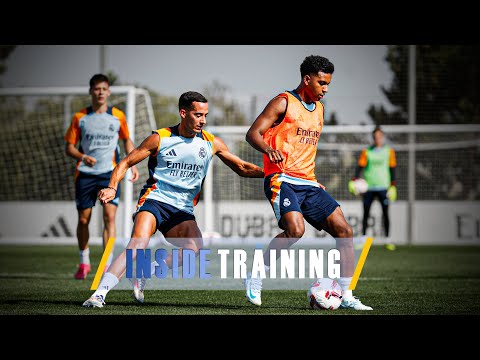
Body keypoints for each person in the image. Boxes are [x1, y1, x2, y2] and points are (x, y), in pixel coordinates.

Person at [82, 91, 264, 308]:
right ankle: (99, 295)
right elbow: (124, 163)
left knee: (194, 249)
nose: (203, 120)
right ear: (183, 113)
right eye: (198, 115)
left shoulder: (211, 143)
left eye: (205, 115)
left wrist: (272, 173)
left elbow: (242, 168)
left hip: (182, 209)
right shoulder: (160, 138)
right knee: (137, 244)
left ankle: (144, 272)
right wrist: (112, 187)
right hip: (155, 200)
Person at [244, 55, 372, 310]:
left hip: (309, 183)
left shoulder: (321, 110)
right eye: (321, 83)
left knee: (345, 231)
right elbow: (252, 134)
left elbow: (305, 149)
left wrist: (313, 180)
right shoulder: (283, 102)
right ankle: (255, 276)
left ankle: (346, 296)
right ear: (307, 79)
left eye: (328, 85)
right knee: (296, 230)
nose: (325, 89)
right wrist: (269, 150)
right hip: (282, 179)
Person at [64, 74, 139, 280]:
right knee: (83, 219)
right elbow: (69, 148)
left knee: (110, 217)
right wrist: (82, 156)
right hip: (86, 175)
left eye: (104, 89)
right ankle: (84, 262)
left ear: (109, 92)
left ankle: (106, 265)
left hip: (109, 174)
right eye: (97, 89)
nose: (100, 92)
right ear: (91, 91)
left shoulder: (118, 116)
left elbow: (127, 140)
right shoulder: (80, 118)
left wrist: (131, 164)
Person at [348, 125, 397, 250]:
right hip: (368, 188)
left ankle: (388, 239)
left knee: (386, 213)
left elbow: (392, 169)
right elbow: (359, 167)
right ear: (373, 138)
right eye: (375, 137)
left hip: (383, 188)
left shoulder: (389, 152)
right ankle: (363, 239)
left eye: (380, 136)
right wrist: (353, 180)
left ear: (383, 137)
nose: (378, 139)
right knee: (366, 213)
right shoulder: (367, 152)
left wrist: (393, 186)